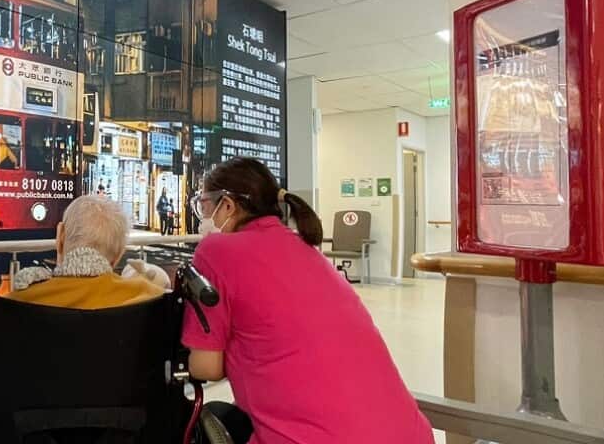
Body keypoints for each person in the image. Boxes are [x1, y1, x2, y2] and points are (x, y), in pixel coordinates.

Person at [184, 157, 431, 444]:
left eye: (204, 206)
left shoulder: (216, 250)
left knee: (215, 417)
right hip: (410, 434)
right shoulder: (304, 246)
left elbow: (206, 367)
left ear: (227, 205)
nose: (204, 217)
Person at [0, 194, 166, 364]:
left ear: (60, 237)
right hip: (122, 412)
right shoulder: (149, 298)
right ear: (118, 255)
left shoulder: (20, 302)